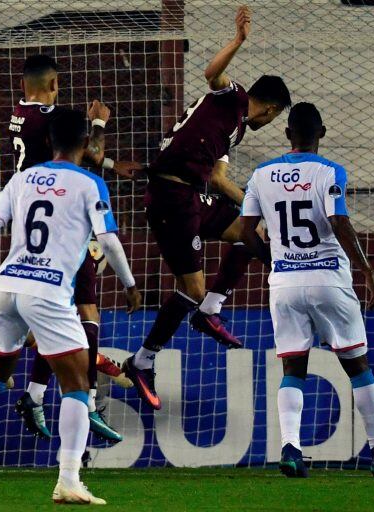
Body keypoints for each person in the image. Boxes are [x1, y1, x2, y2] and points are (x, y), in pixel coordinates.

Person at [0, 109, 141, 504]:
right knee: (78, 386)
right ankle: (68, 478)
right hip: (47, 292)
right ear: (85, 144)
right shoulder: (91, 182)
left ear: (49, 142)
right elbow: (110, 241)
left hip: (7, 286)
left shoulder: (23, 178)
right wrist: (130, 284)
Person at [122, 5, 292, 411]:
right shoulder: (231, 97)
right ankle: (142, 360)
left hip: (195, 197)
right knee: (191, 288)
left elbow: (218, 179)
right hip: (170, 197)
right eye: (274, 117)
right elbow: (211, 72)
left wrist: (258, 209)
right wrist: (237, 41)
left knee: (254, 235)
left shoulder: (234, 133)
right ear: (270, 110)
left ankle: (210, 310)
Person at [238, 102, 374, 477]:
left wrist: (275, 261)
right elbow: (338, 220)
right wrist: (369, 271)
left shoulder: (261, 174)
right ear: (322, 133)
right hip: (329, 279)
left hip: (285, 284)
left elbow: (246, 232)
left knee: (293, 368)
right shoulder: (330, 172)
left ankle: (290, 448)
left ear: (286, 134)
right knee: (358, 367)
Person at [10, 53, 138, 443]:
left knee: (70, 311)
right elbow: (89, 155)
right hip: (59, 224)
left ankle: (36, 397)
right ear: (52, 85)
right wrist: (98, 122)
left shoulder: (21, 115)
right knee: (83, 309)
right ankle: (86, 401)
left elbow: (81, 155)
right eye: (59, 85)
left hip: (32, 218)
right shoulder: (50, 120)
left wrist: (112, 164)